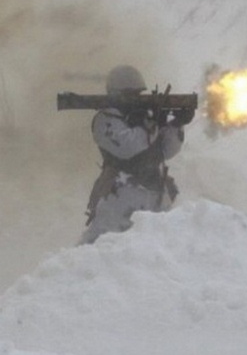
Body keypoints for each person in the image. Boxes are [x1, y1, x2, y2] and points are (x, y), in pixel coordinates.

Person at [79, 64, 194, 244]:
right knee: (103, 251)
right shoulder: (105, 120)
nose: (136, 99)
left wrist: (176, 124)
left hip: (154, 197)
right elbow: (129, 149)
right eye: (130, 95)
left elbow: (165, 151)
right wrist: (151, 122)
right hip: (120, 201)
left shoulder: (143, 118)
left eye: (138, 94)